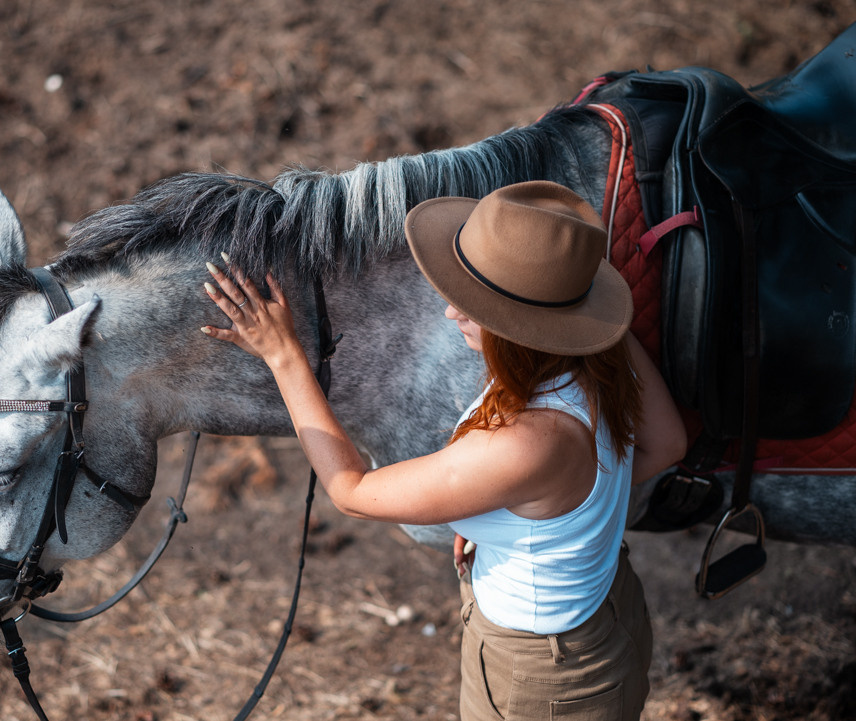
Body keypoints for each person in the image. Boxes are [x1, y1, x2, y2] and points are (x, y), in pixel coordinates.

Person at [200, 180, 687, 720]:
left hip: (544, 682)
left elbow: (352, 491)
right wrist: (517, 521)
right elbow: (666, 445)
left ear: (527, 328)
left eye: (476, 308)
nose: (453, 313)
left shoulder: (528, 440)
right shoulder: (595, 359)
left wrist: (284, 356)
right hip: (609, 610)